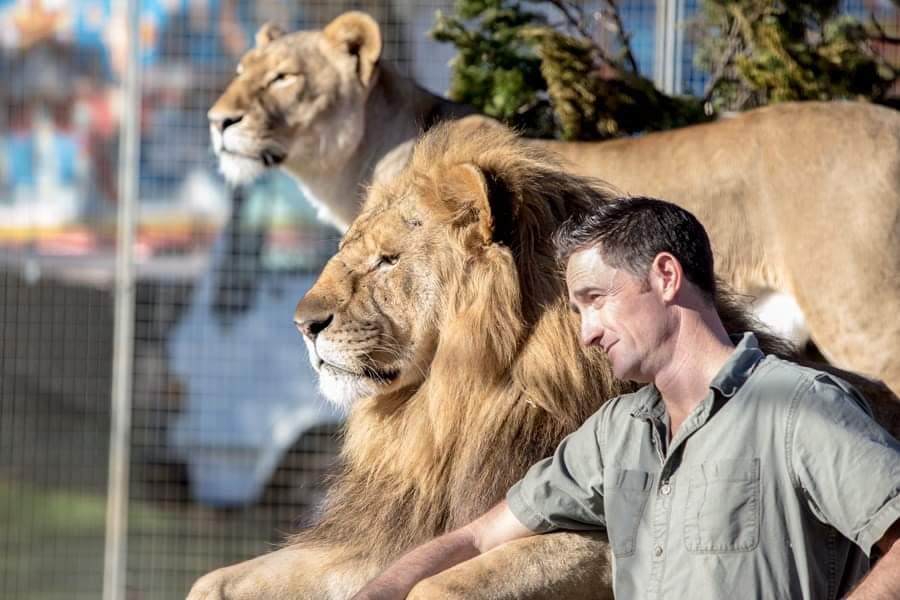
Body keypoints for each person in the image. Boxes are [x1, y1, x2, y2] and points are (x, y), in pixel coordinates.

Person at [351, 197, 900, 599]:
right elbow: (477, 538)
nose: (587, 332)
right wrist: (382, 591)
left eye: (596, 300)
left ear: (665, 276)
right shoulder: (617, 431)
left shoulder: (798, 405)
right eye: (577, 310)